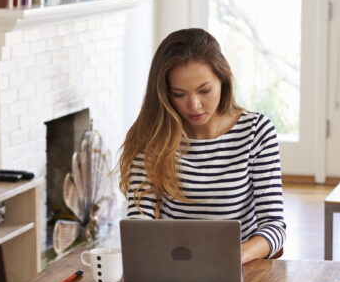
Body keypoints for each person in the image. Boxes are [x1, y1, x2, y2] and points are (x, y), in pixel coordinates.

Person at [118, 27, 286, 265]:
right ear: (165, 94)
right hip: (173, 269)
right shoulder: (153, 138)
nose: (194, 105)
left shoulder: (256, 132)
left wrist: (236, 256)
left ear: (222, 80)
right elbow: (139, 224)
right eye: (179, 94)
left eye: (204, 91)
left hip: (240, 272)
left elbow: (275, 227)